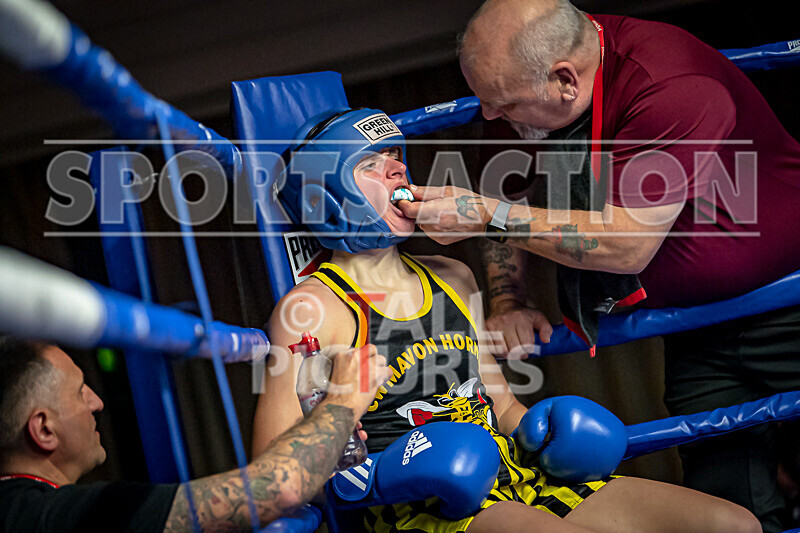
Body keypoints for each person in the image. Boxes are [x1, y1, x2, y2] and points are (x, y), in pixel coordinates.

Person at [252, 107, 759, 533]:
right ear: (327, 193)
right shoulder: (313, 310)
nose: (396, 171)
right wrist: (373, 476)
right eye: (370, 165)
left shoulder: (452, 275)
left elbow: (501, 403)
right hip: (413, 508)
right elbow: (273, 473)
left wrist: (539, 432)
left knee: (734, 526)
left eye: (396, 159)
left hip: (513, 474)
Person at [394, 1, 800, 530]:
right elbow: (503, 183)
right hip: (691, 329)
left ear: (565, 79)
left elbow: (627, 245)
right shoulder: (526, 95)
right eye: (485, 103)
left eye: (502, 104)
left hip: (787, 302)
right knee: (733, 499)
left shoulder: (669, 81)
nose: (490, 116)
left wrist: (486, 216)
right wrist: (508, 297)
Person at [0, 336, 391, 532]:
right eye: (79, 390)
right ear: (44, 429)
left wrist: (322, 431)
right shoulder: (56, 517)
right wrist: (343, 400)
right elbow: (276, 488)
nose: (97, 402)